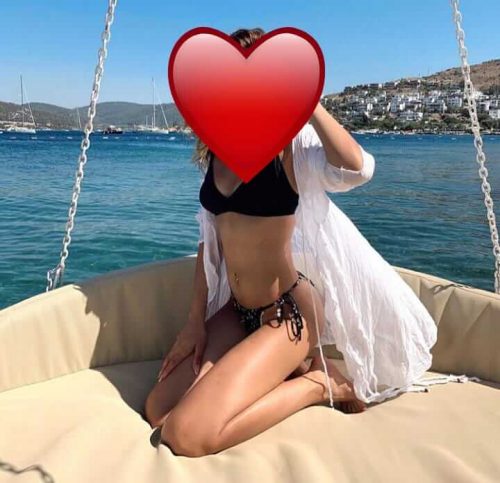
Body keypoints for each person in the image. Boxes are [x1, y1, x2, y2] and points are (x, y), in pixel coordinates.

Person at [145, 27, 438, 457]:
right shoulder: (215, 151)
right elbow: (210, 241)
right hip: (237, 311)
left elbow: (358, 169)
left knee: (186, 435)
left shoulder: (291, 148)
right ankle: (283, 370)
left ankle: (318, 384)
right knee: (159, 409)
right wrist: (195, 322)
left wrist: (307, 101)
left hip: (288, 313)